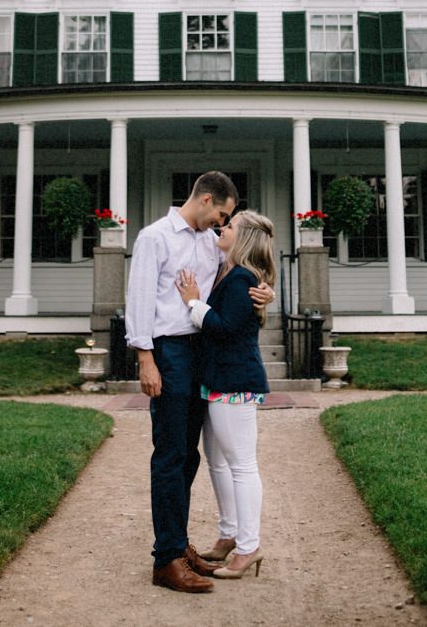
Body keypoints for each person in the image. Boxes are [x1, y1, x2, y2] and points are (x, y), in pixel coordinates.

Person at [124, 171, 272, 594]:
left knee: (189, 457)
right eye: (222, 214)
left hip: (201, 355)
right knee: (170, 454)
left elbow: (239, 273)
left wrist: (266, 293)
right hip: (168, 352)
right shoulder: (155, 238)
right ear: (206, 200)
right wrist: (145, 359)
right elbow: (138, 300)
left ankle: (178, 543)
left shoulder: (210, 242)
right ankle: (165, 559)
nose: (222, 224)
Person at [178, 209, 276, 579]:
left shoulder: (240, 280)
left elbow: (224, 327)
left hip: (235, 383)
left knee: (242, 465)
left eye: (230, 226)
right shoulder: (227, 270)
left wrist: (192, 302)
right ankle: (228, 534)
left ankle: (248, 548)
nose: (222, 227)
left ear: (245, 238)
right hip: (216, 380)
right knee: (218, 461)